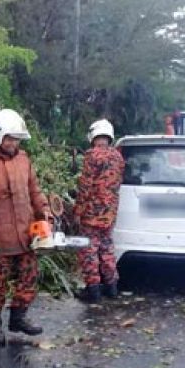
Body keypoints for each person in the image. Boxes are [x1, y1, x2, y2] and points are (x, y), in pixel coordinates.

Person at [0, 109, 50, 345]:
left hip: (26, 236)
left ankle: (18, 317)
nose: (13, 144)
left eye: (16, 139)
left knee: (29, 277)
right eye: (10, 139)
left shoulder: (24, 161)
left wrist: (44, 211)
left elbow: (34, 190)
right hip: (0, 238)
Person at [74, 119, 125, 302]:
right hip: (110, 213)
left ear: (94, 136)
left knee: (89, 250)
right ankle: (111, 287)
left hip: (92, 213)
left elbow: (86, 186)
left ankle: (93, 290)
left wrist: (78, 210)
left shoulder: (92, 155)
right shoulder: (118, 157)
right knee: (106, 249)